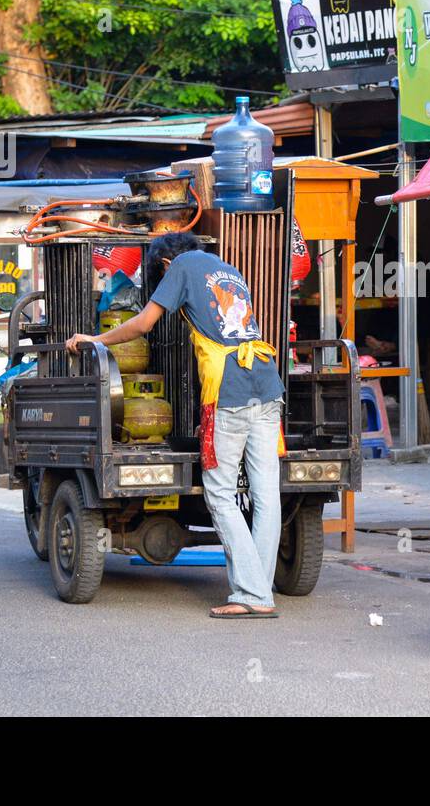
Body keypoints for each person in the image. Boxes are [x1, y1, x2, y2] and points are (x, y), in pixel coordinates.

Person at [67, 231, 285, 619]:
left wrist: (95, 339)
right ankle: (259, 590)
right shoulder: (229, 270)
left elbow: (143, 325)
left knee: (219, 493)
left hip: (230, 390)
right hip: (267, 384)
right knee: (266, 494)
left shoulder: (181, 266)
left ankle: (252, 593)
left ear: (165, 264)